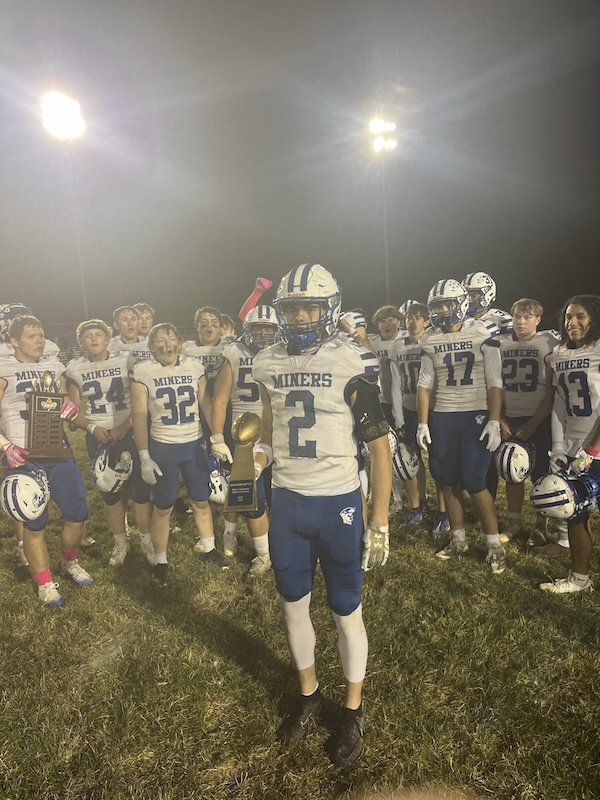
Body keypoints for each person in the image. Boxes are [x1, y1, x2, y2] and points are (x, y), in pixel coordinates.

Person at [253, 263, 392, 768]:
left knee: (346, 609)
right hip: (288, 501)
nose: (299, 318)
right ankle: (309, 694)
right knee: (293, 605)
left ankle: (352, 709)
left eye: (308, 308)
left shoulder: (351, 359)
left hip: (338, 503)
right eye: (292, 310)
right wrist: (254, 461)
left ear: (329, 309)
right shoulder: (267, 361)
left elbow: (379, 449)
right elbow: (269, 428)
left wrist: (380, 521)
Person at [0, 315, 92, 607]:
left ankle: (69, 562)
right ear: (14, 341)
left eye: (41, 335)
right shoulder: (3, 368)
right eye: (31, 336)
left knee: (77, 512)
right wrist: (4, 446)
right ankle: (44, 582)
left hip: (56, 449)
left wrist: (78, 416)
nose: (39, 340)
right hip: (22, 454)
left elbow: (64, 404)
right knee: (34, 521)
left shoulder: (52, 366)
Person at [417, 279, 506, 573]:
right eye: (437, 306)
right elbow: (424, 385)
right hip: (444, 415)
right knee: (446, 480)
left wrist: (494, 419)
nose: (442, 311)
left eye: (447, 305)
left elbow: (495, 380)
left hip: (474, 414)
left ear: (462, 303)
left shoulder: (483, 330)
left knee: (475, 481)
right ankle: (459, 539)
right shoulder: (429, 338)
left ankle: (494, 544)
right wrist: (422, 423)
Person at [131, 323, 228, 587]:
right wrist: (144, 456)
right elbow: (139, 416)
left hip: (194, 443)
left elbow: (205, 403)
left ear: (180, 343)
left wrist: (217, 437)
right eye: (160, 340)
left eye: (172, 338)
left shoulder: (194, 366)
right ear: (152, 347)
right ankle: (161, 561)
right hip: (163, 446)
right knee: (163, 507)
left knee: (201, 500)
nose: (167, 344)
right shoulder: (143, 371)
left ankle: (209, 547)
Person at [65, 319, 154, 567]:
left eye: (98, 334)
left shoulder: (126, 359)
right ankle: (121, 541)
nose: (94, 339)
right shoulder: (75, 368)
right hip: (100, 437)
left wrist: (126, 424)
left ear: (107, 338)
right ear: (81, 342)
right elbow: (71, 409)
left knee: (140, 491)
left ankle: (146, 539)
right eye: (88, 336)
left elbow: (143, 396)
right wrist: (92, 428)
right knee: (111, 492)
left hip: (131, 431)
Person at [210, 305, 280, 576]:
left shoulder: (283, 353)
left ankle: (280, 543)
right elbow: (220, 400)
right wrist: (218, 436)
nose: (263, 335)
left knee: (281, 492)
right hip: (245, 436)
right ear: (247, 330)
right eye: (258, 329)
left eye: (269, 329)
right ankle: (264, 554)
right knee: (251, 496)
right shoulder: (234, 354)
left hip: (280, 431)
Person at [537, 294, 600, 593]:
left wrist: (593, 450)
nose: (572, 323)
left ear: (594, 319)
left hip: (595, 448)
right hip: (575, 447)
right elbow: (559, 405)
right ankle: (579, 579)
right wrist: (559, 447)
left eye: (580, 316)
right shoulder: (559, 354)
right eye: (568, 317)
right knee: (575, 512)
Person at [497, 299, 558, 547]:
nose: (521, 322)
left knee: (541, 474)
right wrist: (500, 418)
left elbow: (552, 392)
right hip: (510, 417)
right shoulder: (501, 343)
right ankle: (514, 522)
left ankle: (540, 526)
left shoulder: (547, 342)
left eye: (527, 317)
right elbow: (494, 385)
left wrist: (533, 423)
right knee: (511, 470)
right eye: (517, 317)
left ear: (538, 320)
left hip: (539, 418)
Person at [389, 303, 449, 534]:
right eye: (409, 317)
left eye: (418, 317)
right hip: (408, 409)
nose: (412, 321)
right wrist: (399, 419)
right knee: (407, 460)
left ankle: (443, 511)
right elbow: (395, 386)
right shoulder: (397, 346)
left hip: (432, 410)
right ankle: (417, 506)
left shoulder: (432, 342)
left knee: (438, 463)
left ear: (427, 321)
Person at [369, 305, 404, 514]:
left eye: (392, 319)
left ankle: (419, 494)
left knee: (408, 450)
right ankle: (397, 497)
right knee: (386, 450)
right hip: (381, 402)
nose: (387, 323)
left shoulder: (404, 340)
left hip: (405, 402)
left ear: (399, 322)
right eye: (383, 320)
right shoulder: (372, 342)